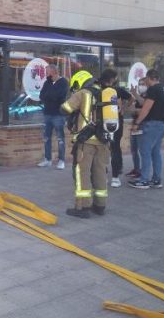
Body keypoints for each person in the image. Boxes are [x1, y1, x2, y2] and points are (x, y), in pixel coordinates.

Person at [61, 69, 118, 218]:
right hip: (104, 141)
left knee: (82, 173)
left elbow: (65, 109)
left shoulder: (83, 93)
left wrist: (72, 97)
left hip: (86, 142)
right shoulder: (106, 93)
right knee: (100, 172)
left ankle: (82, 207)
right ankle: (100, 206)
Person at [128, 69, 164, 189]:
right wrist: (135, 95)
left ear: (149, 78)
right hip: (162, 125)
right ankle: (156, 179)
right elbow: (146, 102)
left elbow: (146, 108)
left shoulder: (152, 89)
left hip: (151, 125)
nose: (145, 82)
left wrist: (137, 122)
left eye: (145, 79)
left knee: (145, 152)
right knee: (155, 152)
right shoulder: (161, 89)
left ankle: (144, 180)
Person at [37, 64, 69, 170]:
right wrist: (50, 96)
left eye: (48, 71)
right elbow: (41, 96)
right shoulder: (47, 82)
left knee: (60, 138)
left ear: (54, 71)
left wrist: (49, 96)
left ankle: (61, 160)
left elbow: (59, 96)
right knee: (46, 137)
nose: (46, 74)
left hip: (58, 114)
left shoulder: (63, 82)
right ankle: (47, 159)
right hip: (47, 113)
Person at [109, 83, 133, 187]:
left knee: (114, 147)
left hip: (116, 121)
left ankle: (117, 171)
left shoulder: (118, 89)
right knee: (113, 147)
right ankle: (116, 171)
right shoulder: (103, 89)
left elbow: (131, 98)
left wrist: (123, 108)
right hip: (110, 122)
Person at [125, 77, 147, 179]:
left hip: (142, 125)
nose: (141, 86)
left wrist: (136, 96)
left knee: (142, 151)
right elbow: (130, 109)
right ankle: (136, 169)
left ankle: (143, 172)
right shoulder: (139, 96)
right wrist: (132, 97)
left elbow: (144, 108)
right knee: (134, 150)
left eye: (143, 84)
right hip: (134, 125)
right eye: (140, 84)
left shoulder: (148, 96)